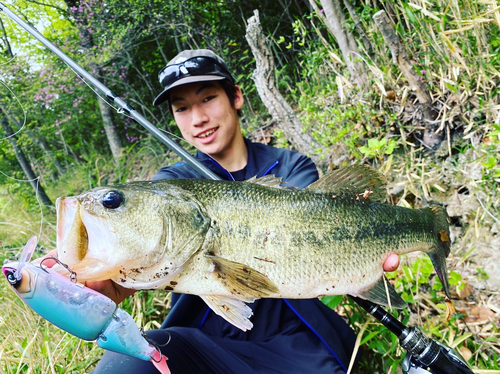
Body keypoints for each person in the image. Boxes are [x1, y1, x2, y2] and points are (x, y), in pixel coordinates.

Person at [88, 49, 400, 373]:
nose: (197, 119)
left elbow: (319, 231)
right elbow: (147, 249)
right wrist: (117, 273)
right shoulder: (169, 187)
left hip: (294, 341)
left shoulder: (293, 166)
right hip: (202, 343)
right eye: (182, 108)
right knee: (125, 365)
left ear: (236, 96)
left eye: (208, 98)